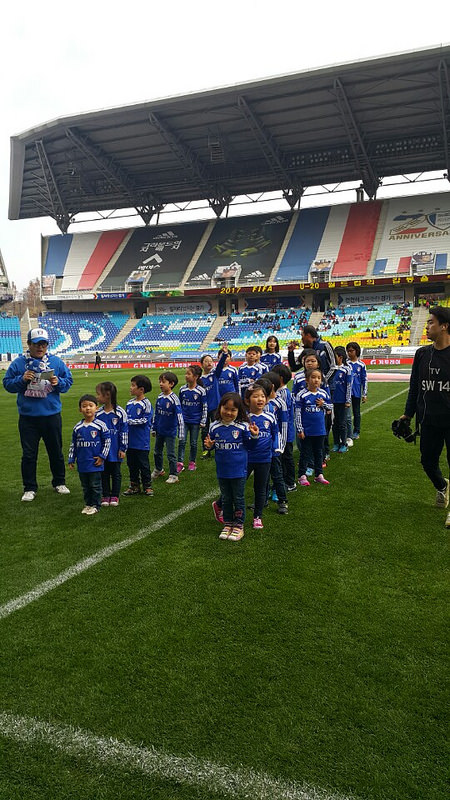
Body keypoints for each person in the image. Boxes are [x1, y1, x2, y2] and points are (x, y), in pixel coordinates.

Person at [3, 327, 73, 501]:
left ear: (47, 345)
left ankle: (59, 482)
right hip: (28, 418)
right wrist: (21, 379)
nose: (40, 347)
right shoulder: (19, 363)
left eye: (43, 344)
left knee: (55, 451)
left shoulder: (56, 362)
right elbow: (7, 384)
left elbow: (68, 382)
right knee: (29, 454)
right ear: (29, 344)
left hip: (51, 415)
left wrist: (58, 382)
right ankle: (29, 487)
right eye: (36, 344)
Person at [400, 306, 450, 527]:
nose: (427, 326)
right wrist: (407, 415)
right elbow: (415, 388)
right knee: (428, 461)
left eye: (431, 322)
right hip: (428, 420)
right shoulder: (422, 354)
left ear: (444, 326)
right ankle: (442, 486)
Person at [204, 392, 259, 541]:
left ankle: (239, 525)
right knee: (227, 498)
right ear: (220, 407)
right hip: (222, 470)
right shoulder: (214, 426)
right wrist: (209, 447)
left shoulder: (243, 426)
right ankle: (228, 523)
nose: (228, 412)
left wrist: (254, 436)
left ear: (238, 411)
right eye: (225, 408)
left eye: (233, 410)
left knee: (238, 497)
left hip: (239, 469)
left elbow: (250, 446)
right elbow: (211, 444)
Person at [245, 384, 281, 529]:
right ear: (247, 401)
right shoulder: (244, 419)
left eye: (262, 396)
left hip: (265, 458)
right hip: (247, 458)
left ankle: (257, 517)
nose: (260, 399)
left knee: (260, 489)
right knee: (239, 485)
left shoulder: (270, 417)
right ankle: (229, 509)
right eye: (255, 396)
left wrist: (276, 447)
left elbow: (275, 434)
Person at [68, 394, 111, 515]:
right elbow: (73, 444)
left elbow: (107, 442)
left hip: (95, 462)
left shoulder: (100, 425)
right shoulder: (78, 427)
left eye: (90, 405)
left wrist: (102, 457)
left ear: (96, 408)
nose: (87, 408)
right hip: (82, 462)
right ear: (80, 409)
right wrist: (71, 458)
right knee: (85, 486)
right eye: (84, 406)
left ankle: (96, 505)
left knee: (95, 485)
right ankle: (88, 504)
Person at [295, 368, 332, 486]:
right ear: (307, 380)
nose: (316, 380)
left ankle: (319, 474)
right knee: (305, 453)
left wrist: (323, 404)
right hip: (307, 430)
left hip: (320, 429)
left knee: (318, 452)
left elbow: (330, 407)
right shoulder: (302, 395)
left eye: (319, 378)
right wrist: (300, 429)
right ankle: (302, 475)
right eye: (313, 377)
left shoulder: (323, 393)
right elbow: (298, 413)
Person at [95, 381, 128, 506]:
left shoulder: (120, 412)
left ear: (107, 395)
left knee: (115, 473)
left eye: (99, 394)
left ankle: (114, 495)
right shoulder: (98, 413)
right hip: (102, 450)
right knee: (103, 473)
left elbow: (124, 431)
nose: (97, 397)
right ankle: (105, 495)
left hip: (115, 449)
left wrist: (123, 448)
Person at [151, 371, 185, 484]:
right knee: (157, 452)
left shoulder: (174, 399)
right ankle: (159, 469)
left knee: (171, 454)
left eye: (163, 382)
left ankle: (173, 475)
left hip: (170, 431)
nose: (160, 384)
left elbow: (179, 416)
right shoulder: (160, 397)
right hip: (160, 430)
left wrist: (181, 433)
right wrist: (154, 427)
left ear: (171, 384)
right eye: (160, 381)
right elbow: (157, 414)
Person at [123, 374, 153, 496]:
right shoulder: (129, 403)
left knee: (143, 465)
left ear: (141, 389)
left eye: (133, 385)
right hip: (130, 441)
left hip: (141, 441)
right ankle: (134, 485)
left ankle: (148, 486)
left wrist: (129, 422)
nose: (130, 388)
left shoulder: (146, 403)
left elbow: (146, 420)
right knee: (132, 464)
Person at [200, 344, 228, 457]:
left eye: (211, 361)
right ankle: (206, 449)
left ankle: (218, 448)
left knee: (218, 427)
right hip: (204, 409)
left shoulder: (214, 375)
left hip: (216, 406)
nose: (209, 363)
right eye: (206, 361)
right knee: (204, 430)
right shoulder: (200, 380)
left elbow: (220, 365)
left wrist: (224, 354)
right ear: (201, 364)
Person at [177, 364, 207, 472]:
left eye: (188, 374)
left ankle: (192, 462)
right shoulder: (182, 389)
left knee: (193, 443)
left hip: (195, 421)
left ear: (196, 376)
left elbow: (204, 406)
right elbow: (179, 405)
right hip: (184, 420)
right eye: (186, 373)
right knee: (182, 441)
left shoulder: (201, 391)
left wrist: (203, 420)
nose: (186, 376)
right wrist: (178, 418)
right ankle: (180, 463)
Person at [330, 346, 352, 453]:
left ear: (340, 357)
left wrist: (348, 400)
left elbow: (349, 386)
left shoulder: (347, 369)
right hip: (332, 400)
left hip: (342, 401)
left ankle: (344, 444)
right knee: (334, 423)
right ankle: (336, 443)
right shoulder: (332, 370)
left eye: (335, 357)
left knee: (342, 423)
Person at [345, 342, 367, 440]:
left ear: (357, 351)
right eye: (348, 351)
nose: (349, 353)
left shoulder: (361, 365)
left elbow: (364, 379)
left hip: (357, 392)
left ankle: (356, 431)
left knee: (356, 412)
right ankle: (346, 431)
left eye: (351, 351)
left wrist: (364, 394)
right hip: (346, 393)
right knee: (346, 414)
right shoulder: (346, 364)